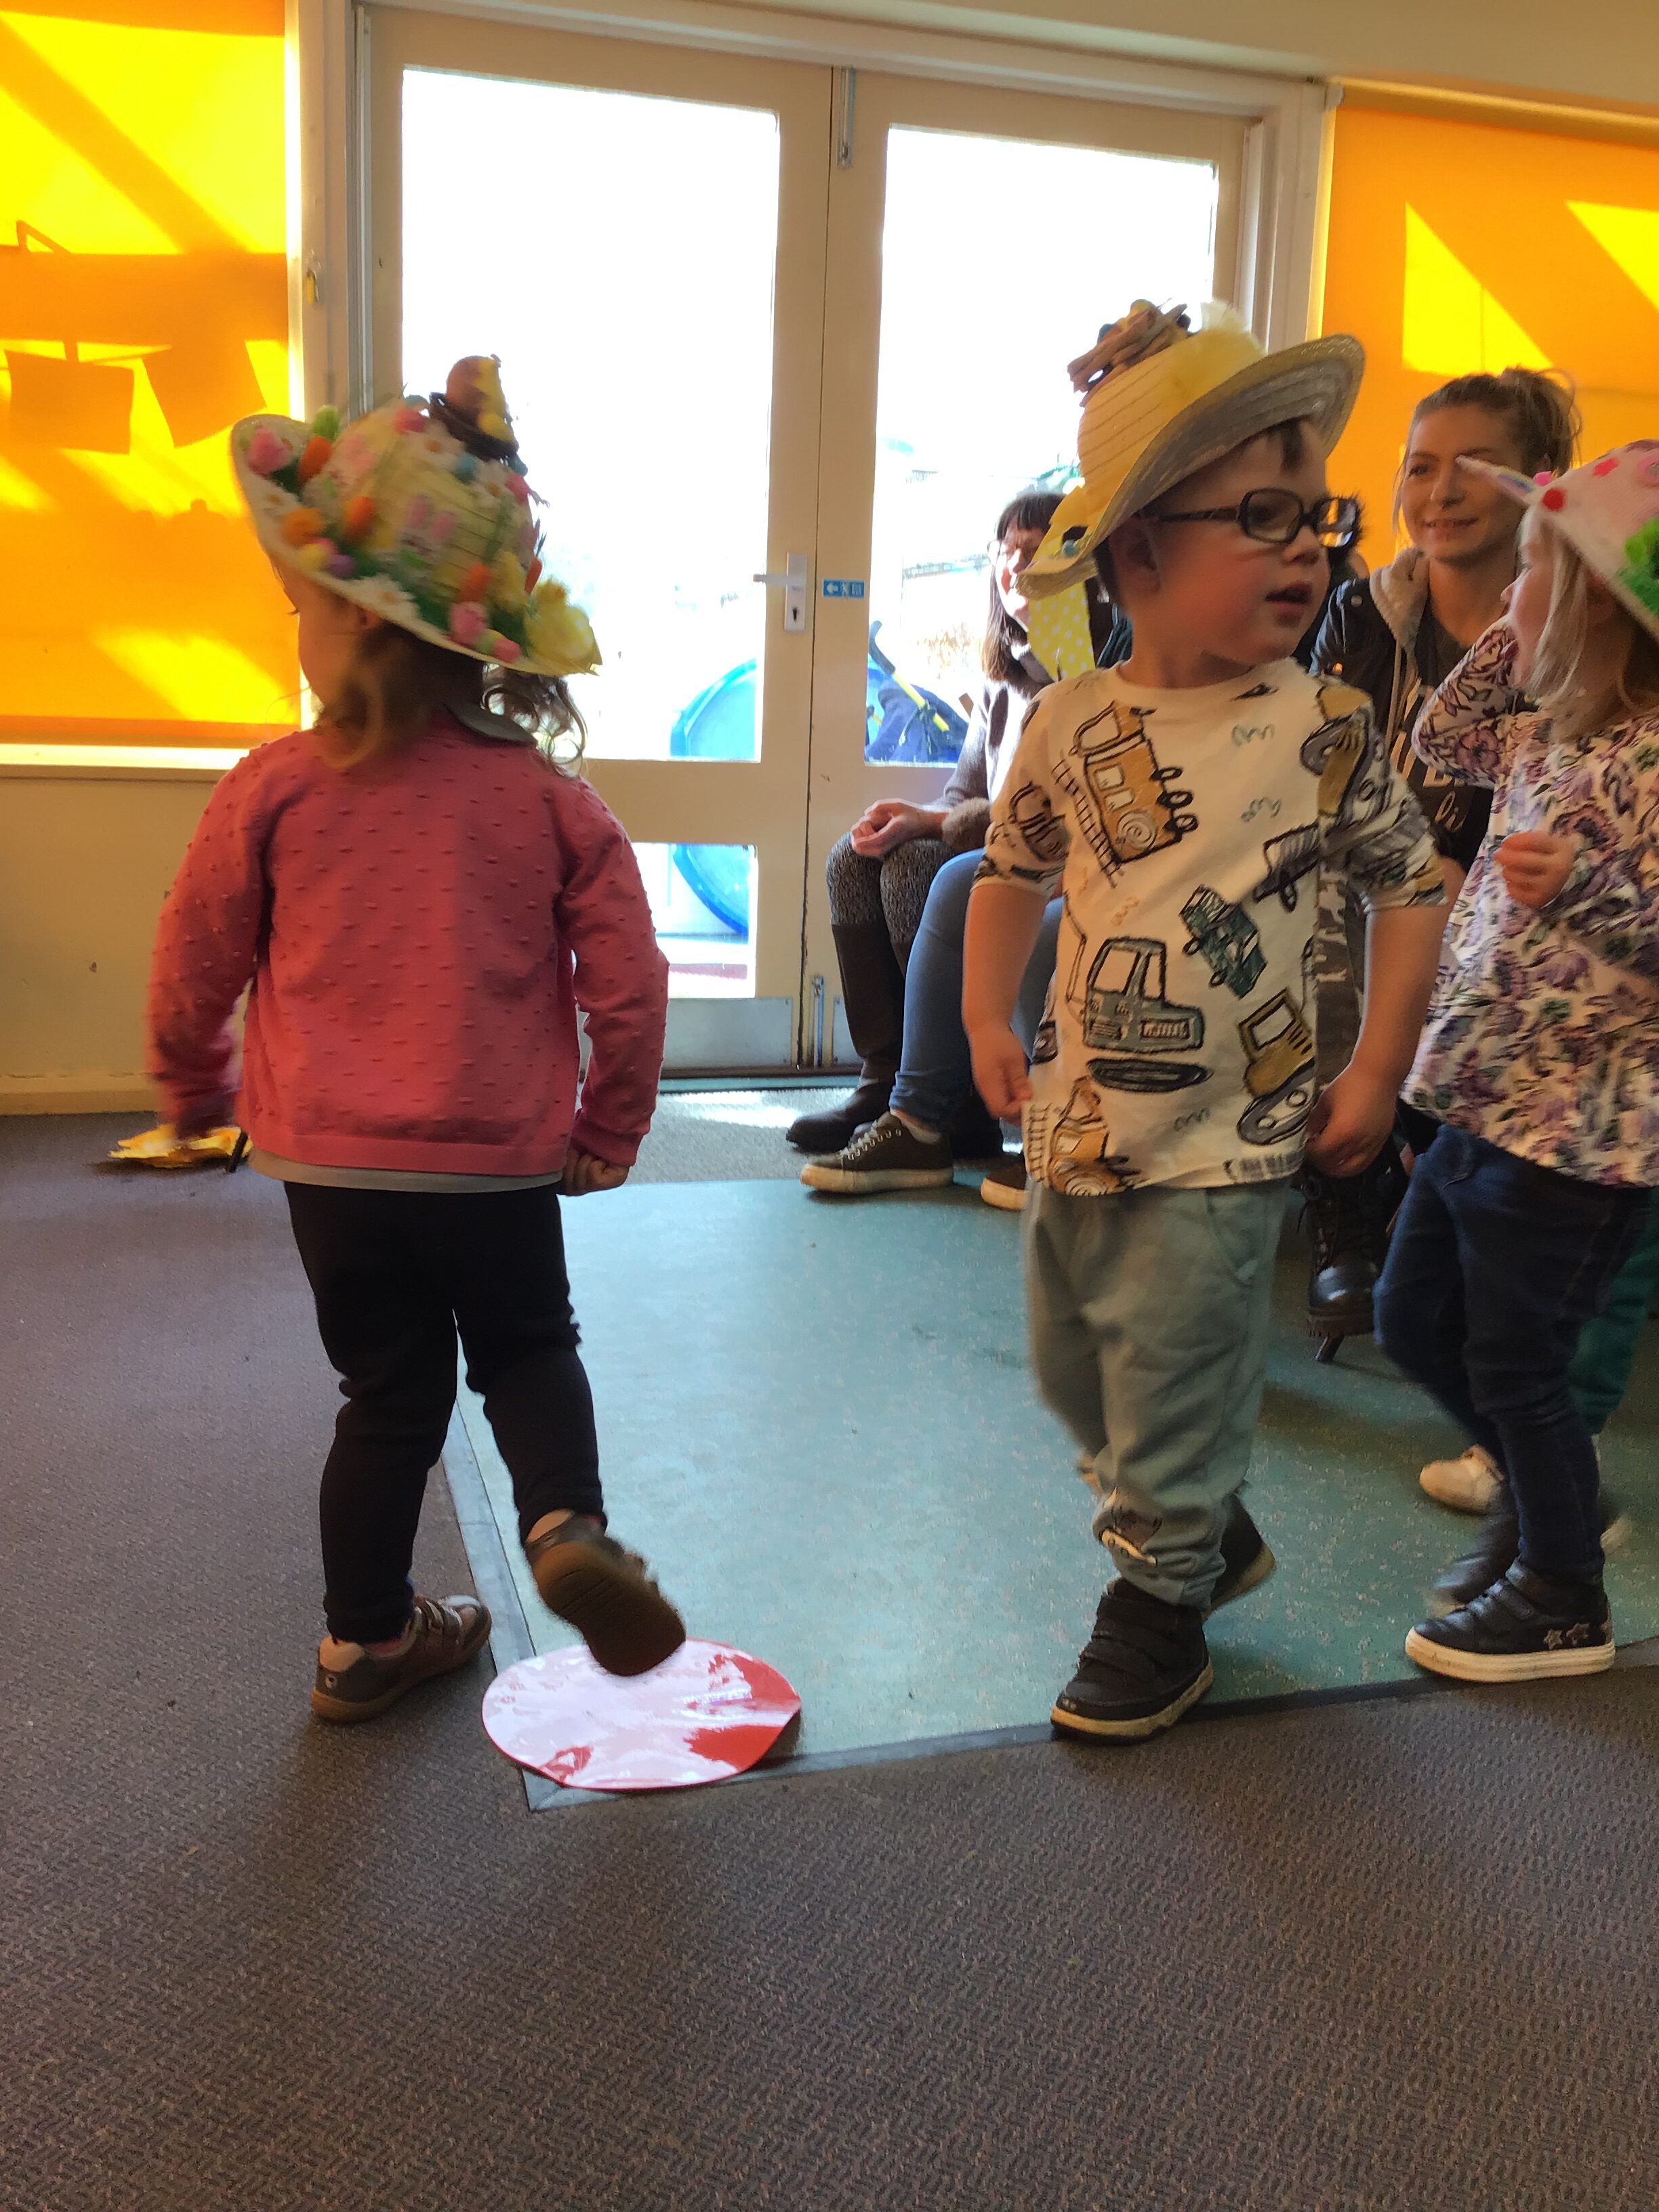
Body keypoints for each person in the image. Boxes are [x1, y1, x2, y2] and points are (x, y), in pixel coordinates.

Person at [146, 357, 684, 1723]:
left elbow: (198, 951)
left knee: (385, 1395)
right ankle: (562, 1525)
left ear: (351, 620)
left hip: (330, 1165)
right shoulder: (547, 802)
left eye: (302, 609)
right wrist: (611, 1124)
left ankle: (364, 1644)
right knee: (528, 1348)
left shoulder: (274, 787)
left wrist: (191, 1081)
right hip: (494, 1160)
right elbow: (629, 975)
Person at [963, 300, 1448, 1741]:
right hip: (1077, 1119)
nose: (1305, 549)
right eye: (1259, 516)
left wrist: (1377, 1064)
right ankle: (1204, 1525)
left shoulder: (1323, 726)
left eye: (1316, 518)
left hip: (1233, 1136)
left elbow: (1414, 887)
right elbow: (1008, 872)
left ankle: (1160, 1601)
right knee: (1079, 1372)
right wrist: (986, 1012)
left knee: (1173, 1371)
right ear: (1137, 555)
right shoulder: (1069, 720)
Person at [1376, 442, 1659, 1684]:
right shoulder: (1544, 732)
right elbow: (1442, 733)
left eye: (1529, 576)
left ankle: (1560, 1590)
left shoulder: (1653, 756)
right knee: (1408, 1317)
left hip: (1583, 1128)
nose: (1503, 597)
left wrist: (1588, 888)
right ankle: (1558, 1502)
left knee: (1514, 1355)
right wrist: (1526, 619)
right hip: (1480, 1097)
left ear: (1599, 604)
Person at [1301, 369, 1580, 1347]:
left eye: (1476, 466)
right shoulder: (1357, 615)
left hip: (1509, 896)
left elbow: (1568, 793)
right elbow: (1318, 773)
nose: (1442, 490)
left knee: (1424, 903)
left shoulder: (1569, 626)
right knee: (1314, 900)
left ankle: (1415, 1179)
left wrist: (1457, 867)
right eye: (1421, 467)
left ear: (1539, 483)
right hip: (1362, 877)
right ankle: (1345, 1206)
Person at [787, 490, 1127, 1161]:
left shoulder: (1094, 673)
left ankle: (954, 1097)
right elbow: (964, 794)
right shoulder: (1003, 677)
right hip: (999, 846)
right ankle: (886, 1076)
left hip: (1057, 859)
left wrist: (934, 823)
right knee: (854, 860)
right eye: (1007, 552)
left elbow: (1050, 818)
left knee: (922, 869)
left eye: (1037, 550)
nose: (1018, 566)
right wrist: (917, 818)